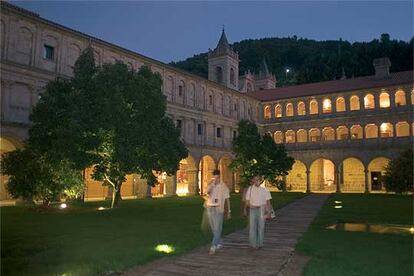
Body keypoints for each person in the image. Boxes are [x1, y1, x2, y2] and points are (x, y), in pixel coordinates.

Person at [205, 169, 231, 255]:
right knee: (214, 228)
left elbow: (227, 199)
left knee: (217, 228)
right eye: (214, 177)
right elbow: (206, 195)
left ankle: (213, 246)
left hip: (218, 208)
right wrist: (210, 189)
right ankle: (219, 242)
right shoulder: (211, 184)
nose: (215, 179)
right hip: (210, 207)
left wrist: (229, 211)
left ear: (219, 176)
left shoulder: (223, 186)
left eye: (217, 177)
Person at [244, 175, 272, 249]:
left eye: (258, 180)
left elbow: (268, 202)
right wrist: (249, 206)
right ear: (253, 180)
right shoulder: (250, 189)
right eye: (255, 180)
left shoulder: (265, 190)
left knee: (261, 227)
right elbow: (247, 201)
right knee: (252, 227)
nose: (256, 181)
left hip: (261, 209)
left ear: (260, 181)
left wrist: (269, 212)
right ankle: (253, 244)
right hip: (253, 209)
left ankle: (260, 243)